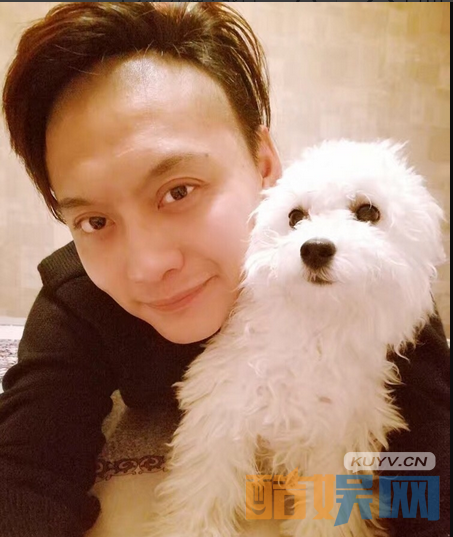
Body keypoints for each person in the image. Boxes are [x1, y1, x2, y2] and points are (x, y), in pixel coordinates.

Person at [0, 3, 449, 537]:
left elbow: (429, 469)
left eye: (179, 191)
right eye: (94, 220)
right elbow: (27, 470)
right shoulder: (78, 300)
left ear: (264, 164)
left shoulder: (359, 292)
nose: (148, 267)